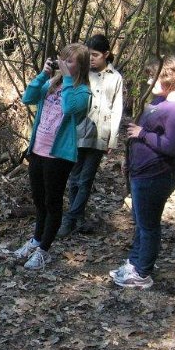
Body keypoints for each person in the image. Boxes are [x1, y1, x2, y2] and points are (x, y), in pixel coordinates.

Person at [110, 56, 175, 289]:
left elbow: (171, 146)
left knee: (148, 225)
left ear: (168, 77)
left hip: (157, 174)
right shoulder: (162, 99)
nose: (149, 80)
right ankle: (135, 262)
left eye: (153, 76)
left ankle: (142, 273)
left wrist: (141, 134)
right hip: (142, 172)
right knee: (140, 221)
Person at [13, 44, 92, 269]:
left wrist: (67, 79)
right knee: (39, 200)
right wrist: (43, 75)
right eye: (63, 59)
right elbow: (27, 98)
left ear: (81, 66)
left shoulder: (83, 91)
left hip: (59, 155)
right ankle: (36, 240)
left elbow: (68, 108)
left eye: (71, 61)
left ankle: (44, 250)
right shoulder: (52, 83)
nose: (65, 63)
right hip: (38, 150)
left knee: (52, 201)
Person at [60, 34, 124, 236]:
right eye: (89, 55)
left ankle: (70, 219)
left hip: (100, 136)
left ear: (106, 54)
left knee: (86, 179)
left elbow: (117, 110)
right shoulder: (84, 73)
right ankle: (77, 216)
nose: (92, 59)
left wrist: (112, 139)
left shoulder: (115, 78)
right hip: (78, 134)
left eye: (95, 55)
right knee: (75, 177)